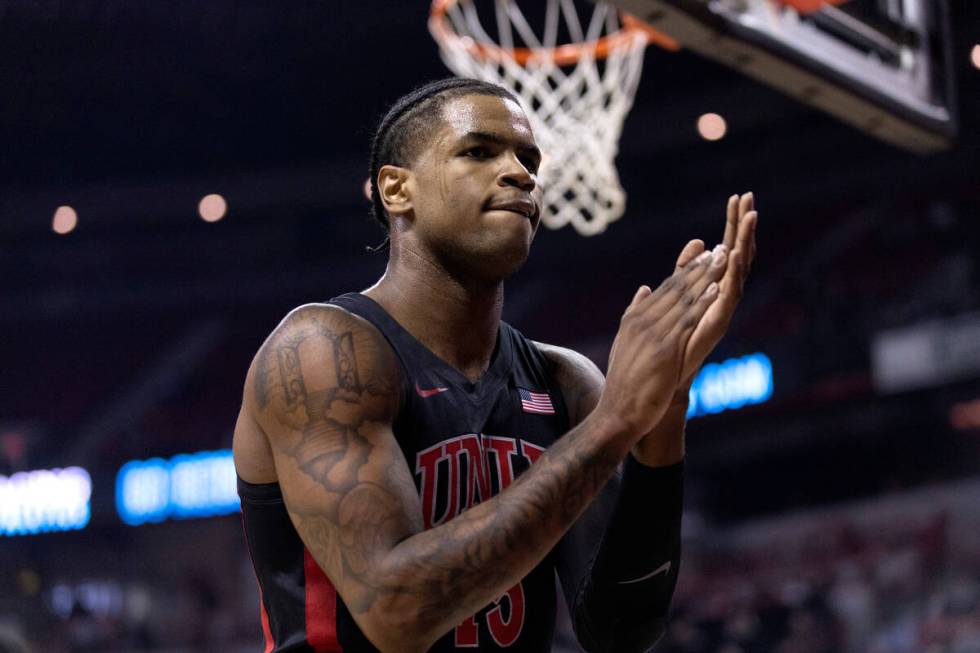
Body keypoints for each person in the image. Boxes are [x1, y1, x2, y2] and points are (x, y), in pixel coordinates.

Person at [233, 77, 758, 653]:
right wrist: (616, 423)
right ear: (396, 189)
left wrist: (663, 420)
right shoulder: (321, 350)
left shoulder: (563, 379)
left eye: (528, 158)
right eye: (479, 152)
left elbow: (619, 632)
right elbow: (396, 613)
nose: (520, 173)